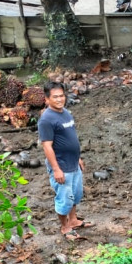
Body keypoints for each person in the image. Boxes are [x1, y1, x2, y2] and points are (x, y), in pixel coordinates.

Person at [38, 81, 91, 241]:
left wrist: (78, 158)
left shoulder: (66, 113)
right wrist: (56, 169)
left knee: (76, 194)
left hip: (73, 163)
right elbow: (47, 146)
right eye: (55, 97)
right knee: (64, 198)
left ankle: (73, 220)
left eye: (61, 96)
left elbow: (71, 138)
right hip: (61, 166)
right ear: (47, 99)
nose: (60, 99)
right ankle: (65, 227)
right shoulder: (46, 120)